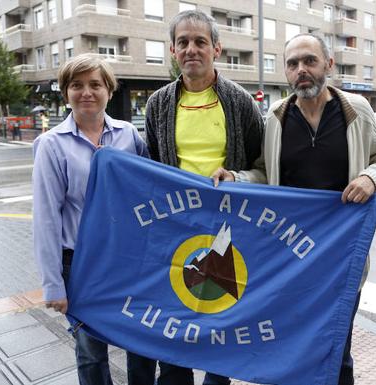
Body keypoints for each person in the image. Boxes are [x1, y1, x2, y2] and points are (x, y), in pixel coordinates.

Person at [211, 33, 376, 385]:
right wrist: (236, 177)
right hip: (290, 259)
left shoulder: (356, 110)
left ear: (328, 64)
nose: (302, 70)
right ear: (285, 72)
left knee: (336, 353)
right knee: (290, 350)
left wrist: (370, 179)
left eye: (309, 61)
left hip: (341, 259)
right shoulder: (276, 119)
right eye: (293, 64)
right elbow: (265, 172)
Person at [135, 10, 263, 385]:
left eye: (200, 42)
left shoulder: (239, 101)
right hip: (174, 230)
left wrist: (237, 177)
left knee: (219, 322)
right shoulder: (158, 104)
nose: (192, 49)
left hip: (227, 231)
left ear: (216, 49)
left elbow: (260, 164)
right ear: (173, 50)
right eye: (184, 42)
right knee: (175, 324)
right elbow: (152, 165)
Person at [32, 54, 149, 385]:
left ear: (109, 91)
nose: (86, 92)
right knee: (91, 352)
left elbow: (151, 188)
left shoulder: (129, 135)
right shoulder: (51, 145)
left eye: (95, 84)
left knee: (142, 343)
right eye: (76, 85)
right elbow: (46, 219)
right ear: (65, 92)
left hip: (129, 262)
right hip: (81, 267)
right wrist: (53, 283)